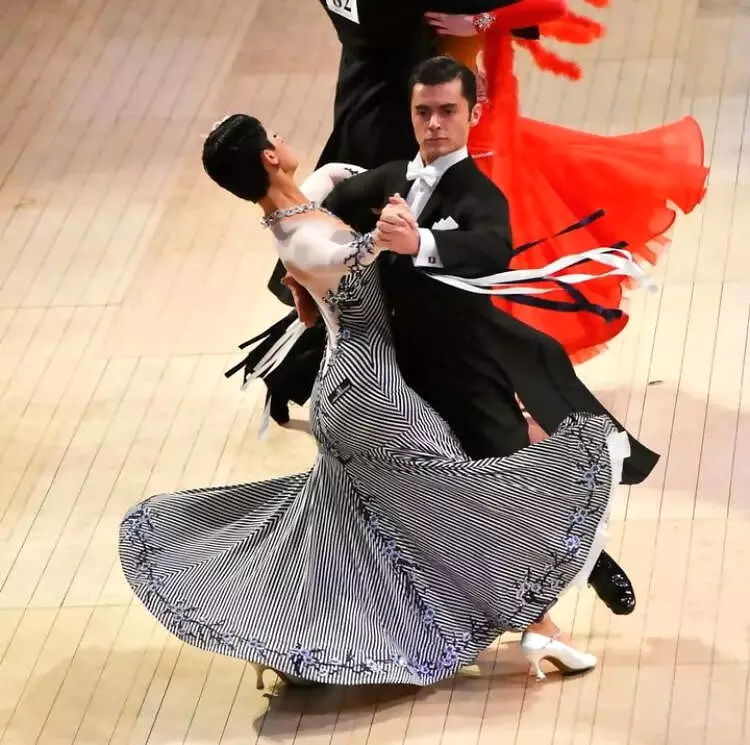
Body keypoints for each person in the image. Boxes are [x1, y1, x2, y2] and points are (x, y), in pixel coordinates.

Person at [119, 111, 631, 688]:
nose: (285, 141)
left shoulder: (303, 203)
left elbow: (340, 183)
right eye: (274, 137)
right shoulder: (305, 237)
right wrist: (389, 227)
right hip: (369, 395)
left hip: (372, 378)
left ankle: (301, 643)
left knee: (358, 533)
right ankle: (538, 626)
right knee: (459, 503)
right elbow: (362, 252)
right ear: (267, 156)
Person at [237, 56, 659, 615]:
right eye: (423, 111)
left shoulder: (478, 195)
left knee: (514, 474)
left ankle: (593, 563)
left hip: (459, 366)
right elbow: (308, 224)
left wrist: (420, 245)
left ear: (472, 114)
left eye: (447, 111)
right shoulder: (385, 179)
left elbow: (490, 248)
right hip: (384, 377)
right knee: (407, 503)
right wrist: (299, 287)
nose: (434, 123)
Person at [258, 0, 538, 425]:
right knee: (389, 276)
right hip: (395, 127)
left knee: (363, 276)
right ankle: (298, 373)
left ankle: (289, 372)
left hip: (359, 100)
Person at [426, 0, 709, 361]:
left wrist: (476, 22)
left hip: (491, 152)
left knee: (515, 269)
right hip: (455, 151)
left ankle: (511, 377)